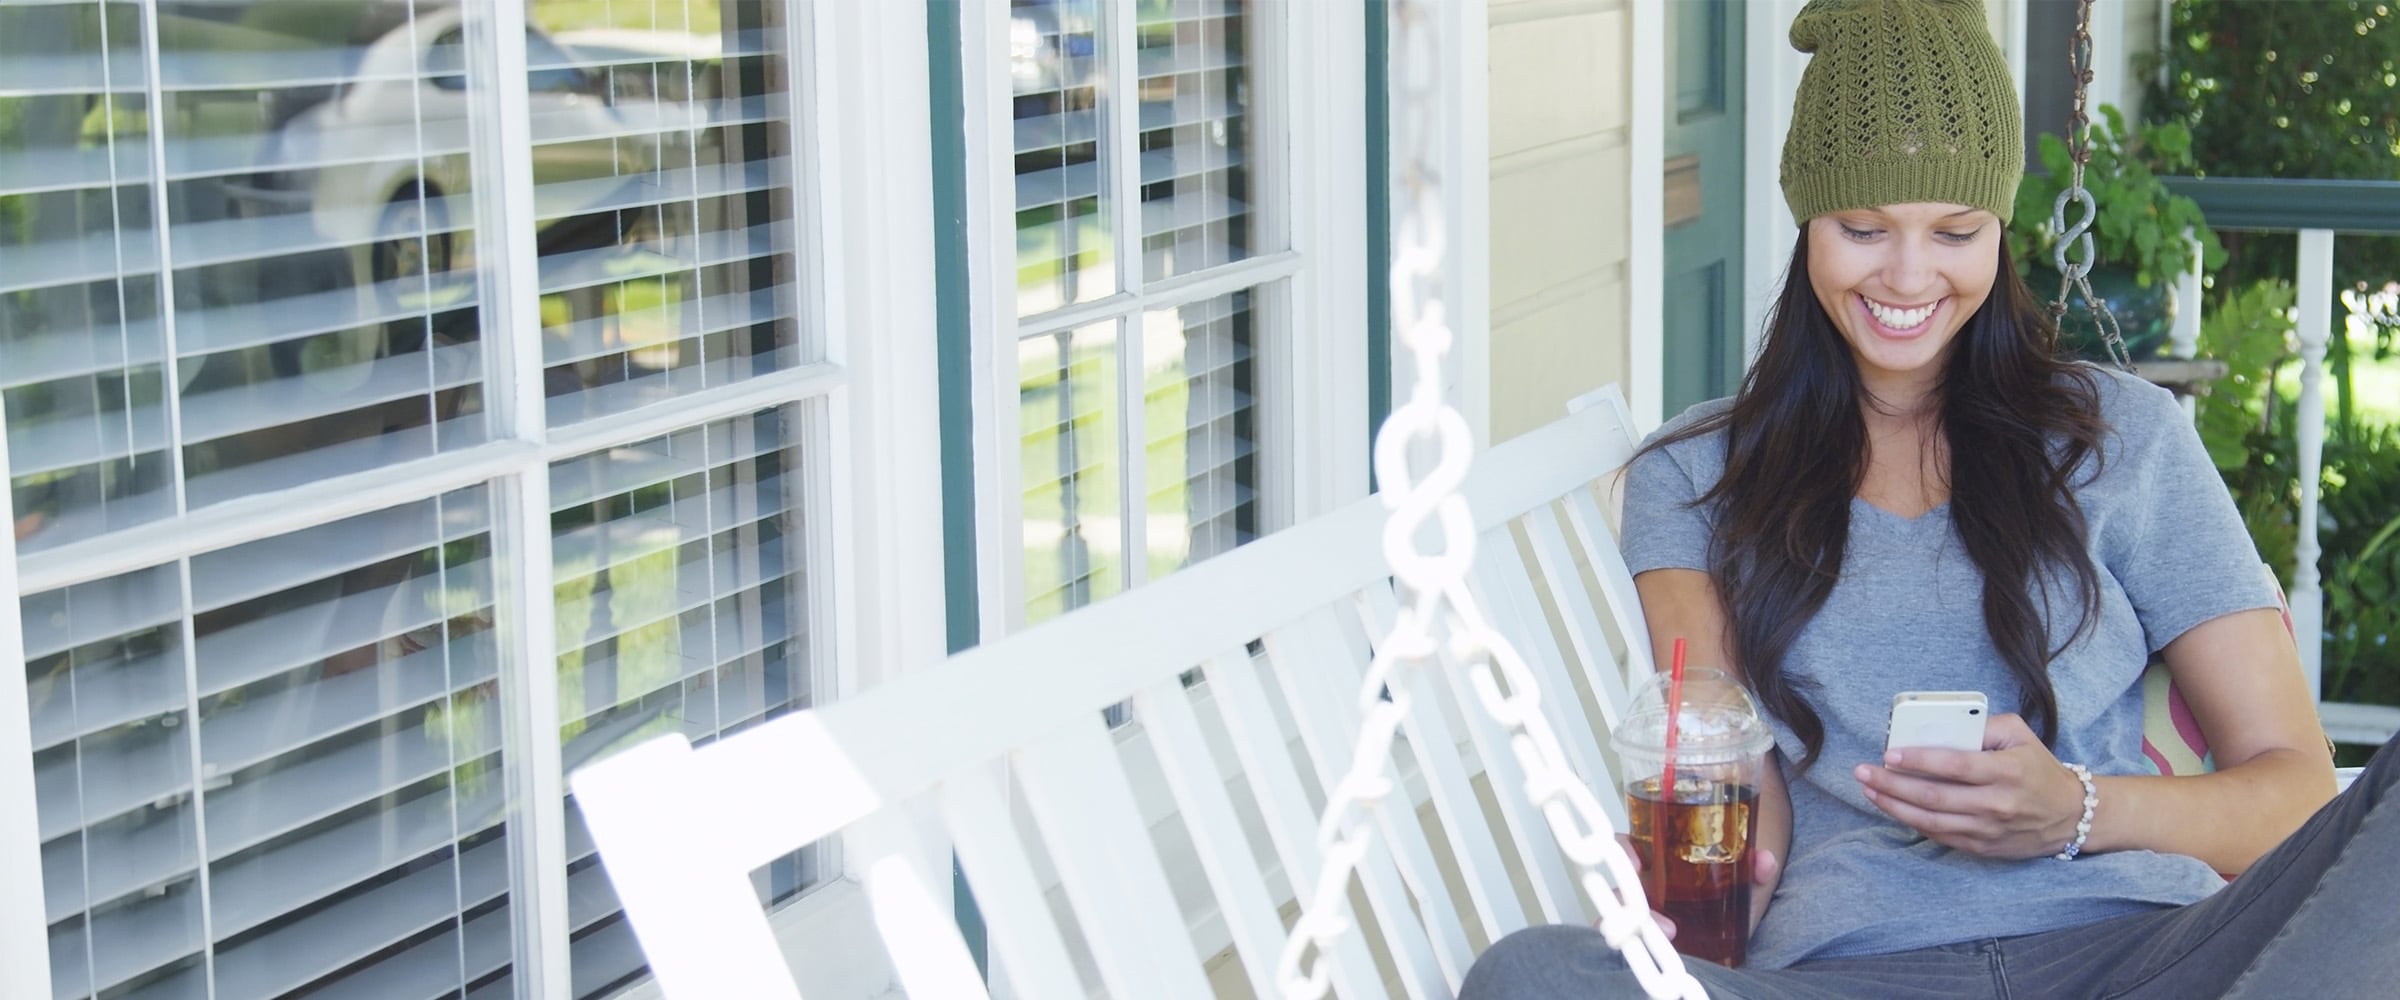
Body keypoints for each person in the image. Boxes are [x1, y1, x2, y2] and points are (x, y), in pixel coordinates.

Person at [1459, 0, 2400, 996]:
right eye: (1864, 227)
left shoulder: (2123, 437)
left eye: (1955, 230)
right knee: (1531, 974)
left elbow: (2296, 784)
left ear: (1999, 226)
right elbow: (1732, 771)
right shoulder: (1694, 477)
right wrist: (1706, 884)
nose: (1909, 275)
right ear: (1808, 221)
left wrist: (2078, 808)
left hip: (2143, 957)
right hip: (1851, 971)